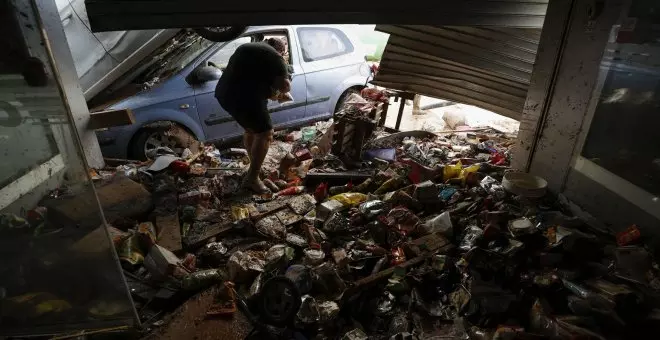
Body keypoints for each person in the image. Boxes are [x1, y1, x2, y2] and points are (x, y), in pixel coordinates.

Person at [215, 38, 291, 193]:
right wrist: (278, 93)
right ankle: (253, 178)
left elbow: (251, 76)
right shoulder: (276, 57)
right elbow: (285, 86)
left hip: (224, 95)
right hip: (246, 98)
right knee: (265, 133)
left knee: (251, 130)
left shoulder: (249, 47)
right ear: (280, 50)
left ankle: (253, 167)